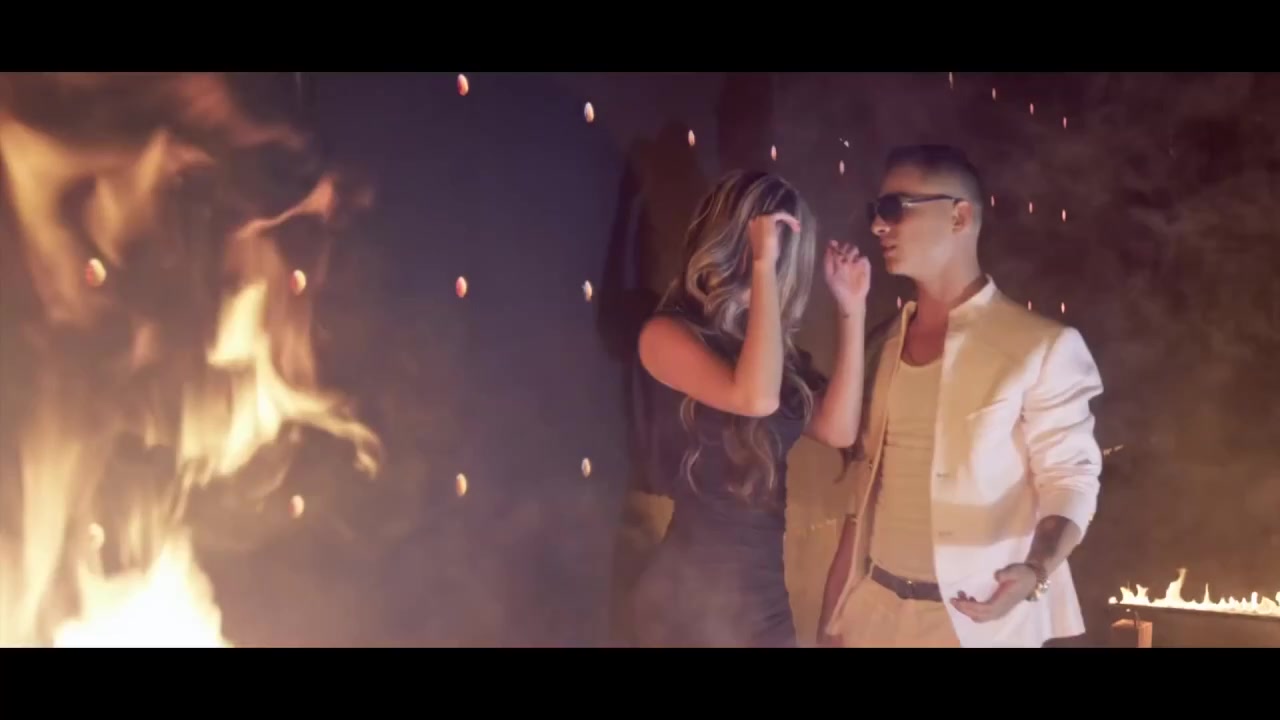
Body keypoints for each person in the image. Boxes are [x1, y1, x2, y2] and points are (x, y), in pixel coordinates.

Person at [818, 145, 1104, 648]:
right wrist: (832, 622)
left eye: (894, 208)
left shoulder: (1040, 345)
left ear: (959, 216)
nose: (879, 227)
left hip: (978, 625)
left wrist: (1036, 569)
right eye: (876, 212)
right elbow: (863, 495)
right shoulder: (883, 342)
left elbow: (1071, 478)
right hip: (873, 615)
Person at [628, 169, 871, 647]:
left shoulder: (770, 353)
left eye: (785, 245)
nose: (781, 255)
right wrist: (761, 264)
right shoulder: (666, 333)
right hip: (691, 594)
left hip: (759, 593)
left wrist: (852, 307)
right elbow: (754, 399)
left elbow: (838, 430)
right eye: (770, 238)